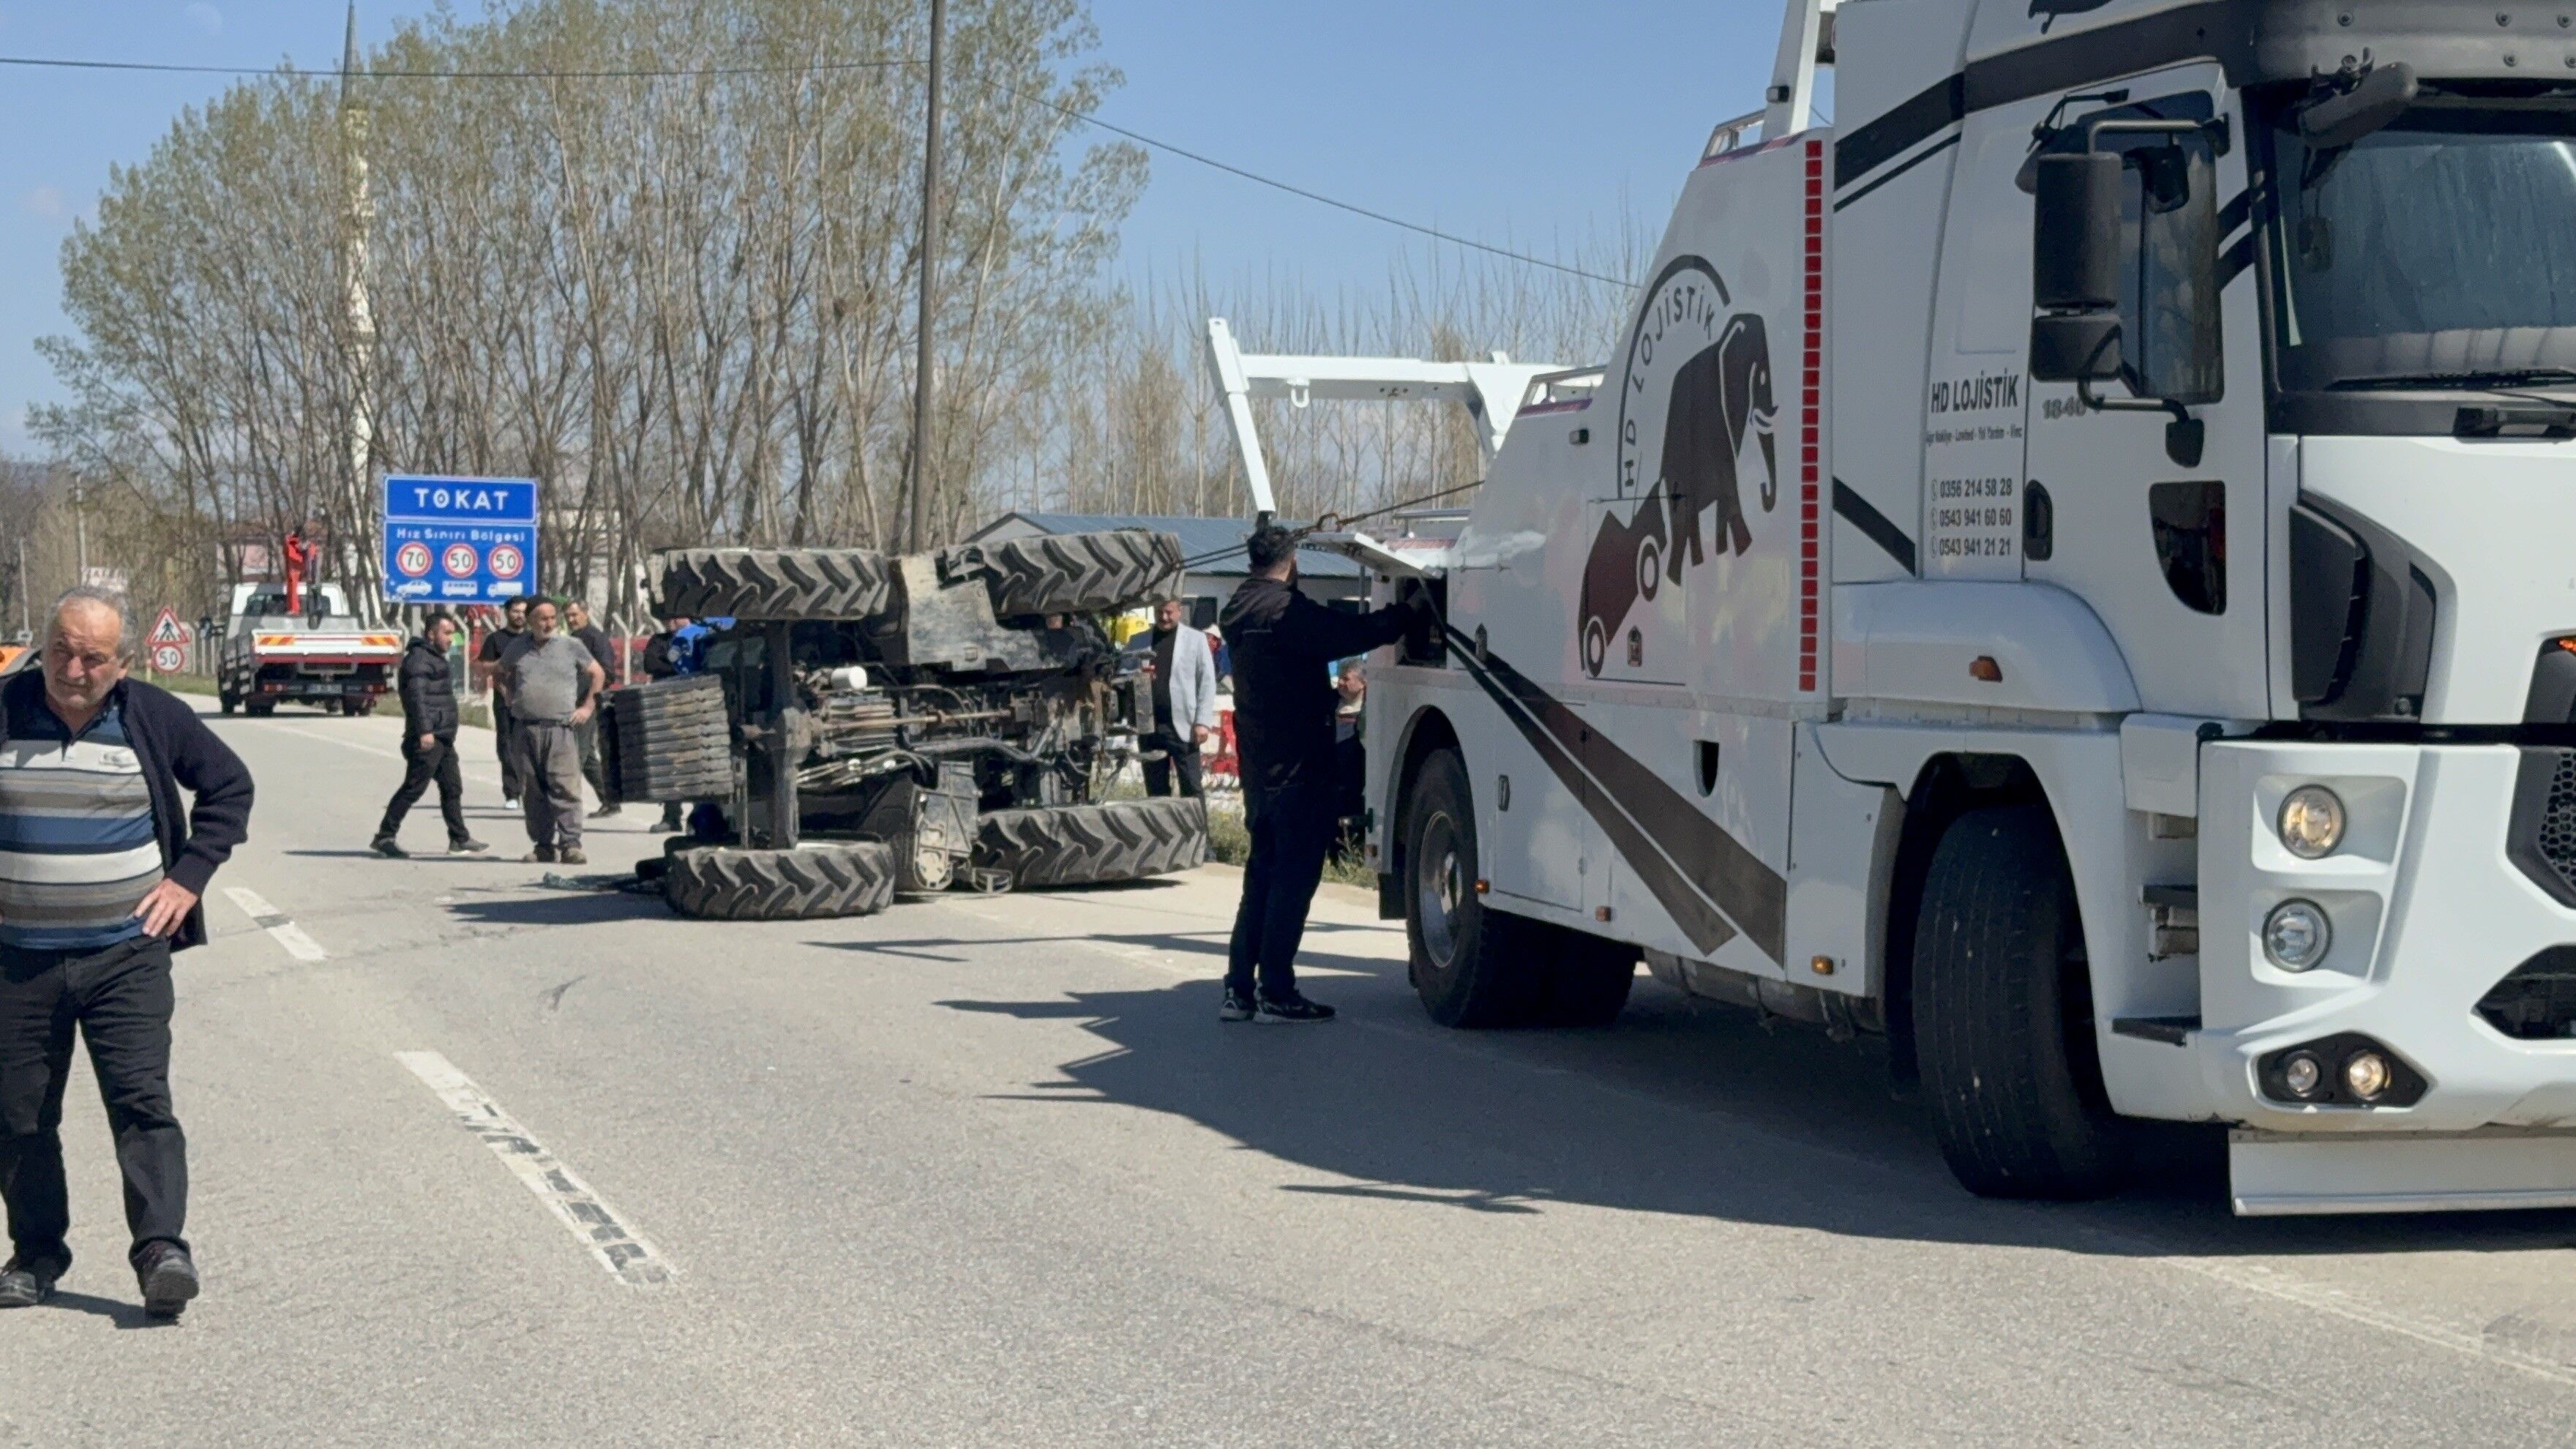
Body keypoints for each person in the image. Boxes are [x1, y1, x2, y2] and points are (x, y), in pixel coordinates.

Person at [0, 587, 254, 1317]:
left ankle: (161, 1250)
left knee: (141, 1104)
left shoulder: (151, 714)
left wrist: (188, 879)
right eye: (60, 650)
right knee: (18, 1115)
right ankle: (37, 1254)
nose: (72, 669)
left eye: (92, 658)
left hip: (126, 954)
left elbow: (229, 788)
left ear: (124, 664)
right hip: (18, 957)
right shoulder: (7, 706)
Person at [1218, 524, 1429, 1024]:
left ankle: (1239, 991)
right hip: (1298, 767)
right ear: (1292, 563)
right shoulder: (1285, 612)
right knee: (1292, 880)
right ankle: (1276, 990)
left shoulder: (1238, 610)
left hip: (1260, 770)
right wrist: (1408, 612)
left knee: (1261, 878)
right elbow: (1350, 634)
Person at [371, 614, 488, 858]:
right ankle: (385, 837)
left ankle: (459, 839)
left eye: (453, 633)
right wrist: (425, 731)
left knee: (452, 786)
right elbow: (417, 699)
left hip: (442, 736)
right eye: (447, 633)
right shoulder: (419, 660)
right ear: (432, 634)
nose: (451, 639)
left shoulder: (433, 659)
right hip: (428, 737)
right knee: (414, 788)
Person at [500, 599, 605, 865]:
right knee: (532, 791)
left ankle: (571, 845)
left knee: (565, 787)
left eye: (552, 618)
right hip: (525, 730)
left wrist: (588, 706)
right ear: (530, 621)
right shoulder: (518, 647)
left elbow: (597, 674)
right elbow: (500, 673)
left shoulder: (571, 646)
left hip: (560, 730)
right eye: (542, 619)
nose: (549, 624)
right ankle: (543, 846)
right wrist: (509, 697)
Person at [1137, 596, 1218, 798]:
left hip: (1184, 726)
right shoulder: (1138, 641)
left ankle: (1197, 821)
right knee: (1156, 792)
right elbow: (1121, 675)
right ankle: (1161, 821)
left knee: (1191, 787)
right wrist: (1137, 675)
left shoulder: (1196, 639)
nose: (1164, 617)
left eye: (1169, 612)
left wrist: (1202, 722)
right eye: (1159, 612)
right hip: (1149, 726)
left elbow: (1207, 682)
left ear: (1180, 611)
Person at [638, 614, 697, 832]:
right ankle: (672, 815)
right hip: (666, 703)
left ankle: (701, 817)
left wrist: (672, 663)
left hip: (696, 703)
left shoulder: (699, 637)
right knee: (671, 761)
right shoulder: (659, 641)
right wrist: (680, 665)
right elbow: (651, 664)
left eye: (677, 617)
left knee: (698, 761)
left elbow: (701, 664)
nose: (671, 621)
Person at [564, 600, 620, 820]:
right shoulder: (571, 639)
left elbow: (607, 672)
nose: (571, 619)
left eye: (574, 615)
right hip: (571, 702)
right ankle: (610, 800)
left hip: (587, 703)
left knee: (575, 754)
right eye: (567, 616)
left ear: (585, 613)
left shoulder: (595, 638)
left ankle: (565, 806)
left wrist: (590, 698)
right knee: (587, 758)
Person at [475, 598, 531, 806]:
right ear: (507, 613)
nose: (520, 616)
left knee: (529, 747)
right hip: (505, 701)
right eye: (516, 611)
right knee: (507, 746)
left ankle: (531, 791)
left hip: (530, 702)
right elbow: (485, 667)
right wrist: (502, 670)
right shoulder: (495, 640)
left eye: (524, 612)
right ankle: (512, 793)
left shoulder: (532, 638)